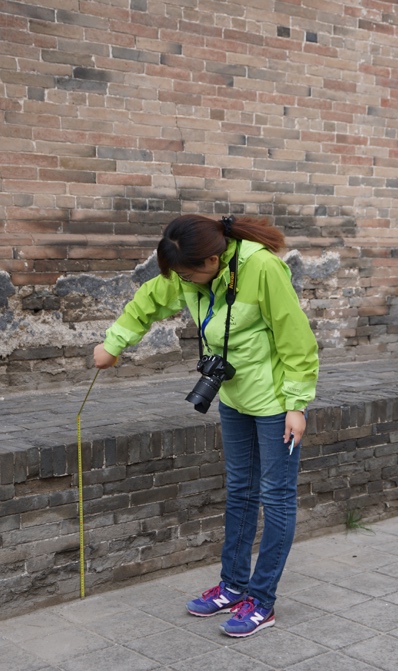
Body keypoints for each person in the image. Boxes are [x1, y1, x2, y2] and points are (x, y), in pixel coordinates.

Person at [94, 214, 319, 637]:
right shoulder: (189, 274)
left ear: (213, 260)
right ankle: (233, 585)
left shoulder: (261, 267)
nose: (182, 282)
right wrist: (113, 344)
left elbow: (296, 337)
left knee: (276, 497)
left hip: (276, 404)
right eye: (179, 275)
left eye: (187, 274)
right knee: (240, 490)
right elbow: (149, 300)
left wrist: (297, 404)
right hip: (233, 397)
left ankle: (262, 601)